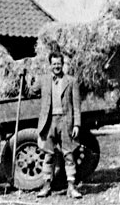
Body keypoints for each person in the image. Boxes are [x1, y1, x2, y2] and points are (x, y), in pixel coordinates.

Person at [31, 51, 82, 199]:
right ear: (50, 65)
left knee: (69, 154)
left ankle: (71, 187)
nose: (56, 66)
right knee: (48, 155)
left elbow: (77, 106)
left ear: (63, 64)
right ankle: (46, 186)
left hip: (66, 121)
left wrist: (76, 124)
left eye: (59, 64)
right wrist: (27, 78)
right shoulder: (44, 80)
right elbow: (32, 90)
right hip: (48, 122)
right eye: (54, 64)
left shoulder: (71, 81)